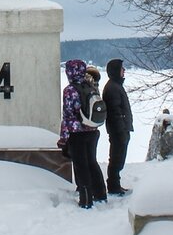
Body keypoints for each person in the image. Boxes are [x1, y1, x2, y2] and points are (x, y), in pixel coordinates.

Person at [57, 59, 106, 209]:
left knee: (81, 165)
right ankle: (100, 194)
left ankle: (85, 199)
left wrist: (63, 138)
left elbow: (68, 116)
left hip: (77, 133)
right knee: (92, 162)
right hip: (92, 130)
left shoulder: (70, 90)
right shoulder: (90, 86)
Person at [103, 58, 134, 195]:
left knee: (119, 157)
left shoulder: (115, 86)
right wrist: (121, 129)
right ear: (116, 71)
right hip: (118, 130)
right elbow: (115, 112)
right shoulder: (112, 88)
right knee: (116, 158)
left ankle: (115, 184)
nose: (124, 70)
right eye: (122, 68)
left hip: (121, 129)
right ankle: (113, 186)